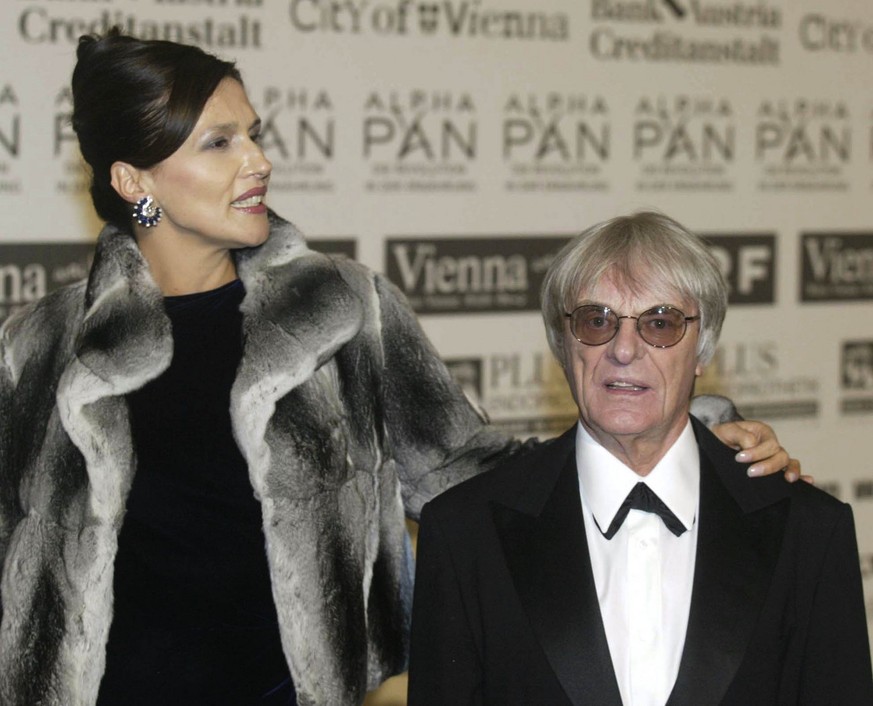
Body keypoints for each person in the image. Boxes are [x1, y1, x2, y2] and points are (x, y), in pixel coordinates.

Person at [0, 31, 797, 706]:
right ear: (135, 181)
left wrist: (681, 439)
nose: (259, 161)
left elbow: (468, 475)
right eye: (219, 142)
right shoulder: (36, 346)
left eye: (253, 131)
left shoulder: (340, 310)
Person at [407, 211, 873, 705]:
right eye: (596, 320)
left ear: (702, 349)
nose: (624, 349)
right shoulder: (464, 532)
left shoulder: (808, 531)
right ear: (563, 345)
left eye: (660, 322)